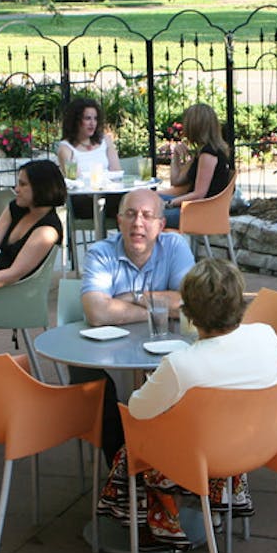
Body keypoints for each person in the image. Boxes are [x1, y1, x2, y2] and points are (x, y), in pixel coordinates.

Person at [95, 258, 277, 548]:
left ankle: (158, 525)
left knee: (130, 448)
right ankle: (210, 510)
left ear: (188, 313)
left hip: (200, 461)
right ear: (240, 302)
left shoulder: (181, 364)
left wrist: (156, 383)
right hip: (256, 446)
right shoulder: (267, 335)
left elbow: (137, 410)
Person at [80, 188, 197, 459]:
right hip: (107, 357)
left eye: (147, 216)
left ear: (161, 224)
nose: (138, 223)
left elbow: (190, 302)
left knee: (185, 381)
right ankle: (124, 471)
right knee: (98, 388)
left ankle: (167, 460)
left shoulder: (175, 246)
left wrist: (134, 298)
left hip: (166, 354)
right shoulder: (101, 253)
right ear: (118, 221)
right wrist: (162, 308)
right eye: (130, 215)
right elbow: (97, 312)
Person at [0, 159, 66, 290]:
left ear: (41, 188)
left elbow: (14, 274)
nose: (16, 189)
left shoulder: (47, 230)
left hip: (14, 292)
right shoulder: (15, 208)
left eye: (23, 184)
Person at [160, 103, 232, 228]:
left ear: (195, 126)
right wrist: (176, 156)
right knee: (144, 201)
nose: (184, 128)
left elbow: (199, 194)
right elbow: (176, 181)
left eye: (186, 124)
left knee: (146, 215)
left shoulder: (209, 154)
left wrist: (168, 204)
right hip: (196, 208)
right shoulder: (203, 151)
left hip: (201, 213)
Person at [55, 96, 121, 221]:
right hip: (83, 200)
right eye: (87, 118)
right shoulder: (66, 149)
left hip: (109, 194)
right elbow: (76, 181)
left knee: (129, 203)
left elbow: (116, 172)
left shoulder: (105, 141)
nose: (92, 123)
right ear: (76, 120)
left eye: (95, 119)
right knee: (125, 206)